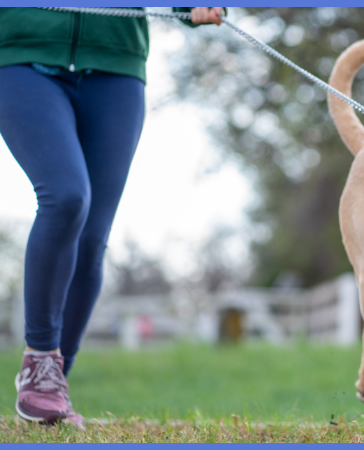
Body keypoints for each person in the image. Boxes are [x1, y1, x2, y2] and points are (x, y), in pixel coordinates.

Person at [0, 6, 226, 427]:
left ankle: (52, 388)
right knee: (66, 198)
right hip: (21, 55)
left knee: (91, 239)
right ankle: (40, 363)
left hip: (116, 66)